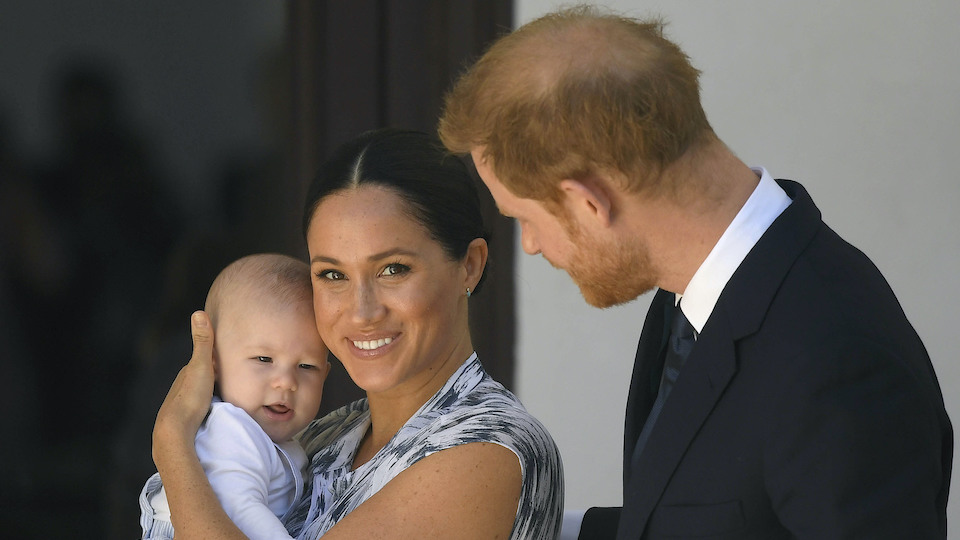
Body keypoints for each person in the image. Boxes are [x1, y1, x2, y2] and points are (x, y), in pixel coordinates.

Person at [438, 5, 951, 540]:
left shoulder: (839, 363)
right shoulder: (698, 289)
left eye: (524, 218)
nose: (533, 246)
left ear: (588, 202)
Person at [150, 128, 564, 539]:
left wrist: (172, 443)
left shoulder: (485, 449)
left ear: (469, 265)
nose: (362, 312)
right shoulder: (328, 435)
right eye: (333, 275)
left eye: (393, 269)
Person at [140, 253, 330, 539]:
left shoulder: (271, 438)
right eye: (264, 359)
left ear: (325, 374)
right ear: (213, 363)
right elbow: (239, 510)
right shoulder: (231, 430)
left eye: (306, 366)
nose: (287, 382)